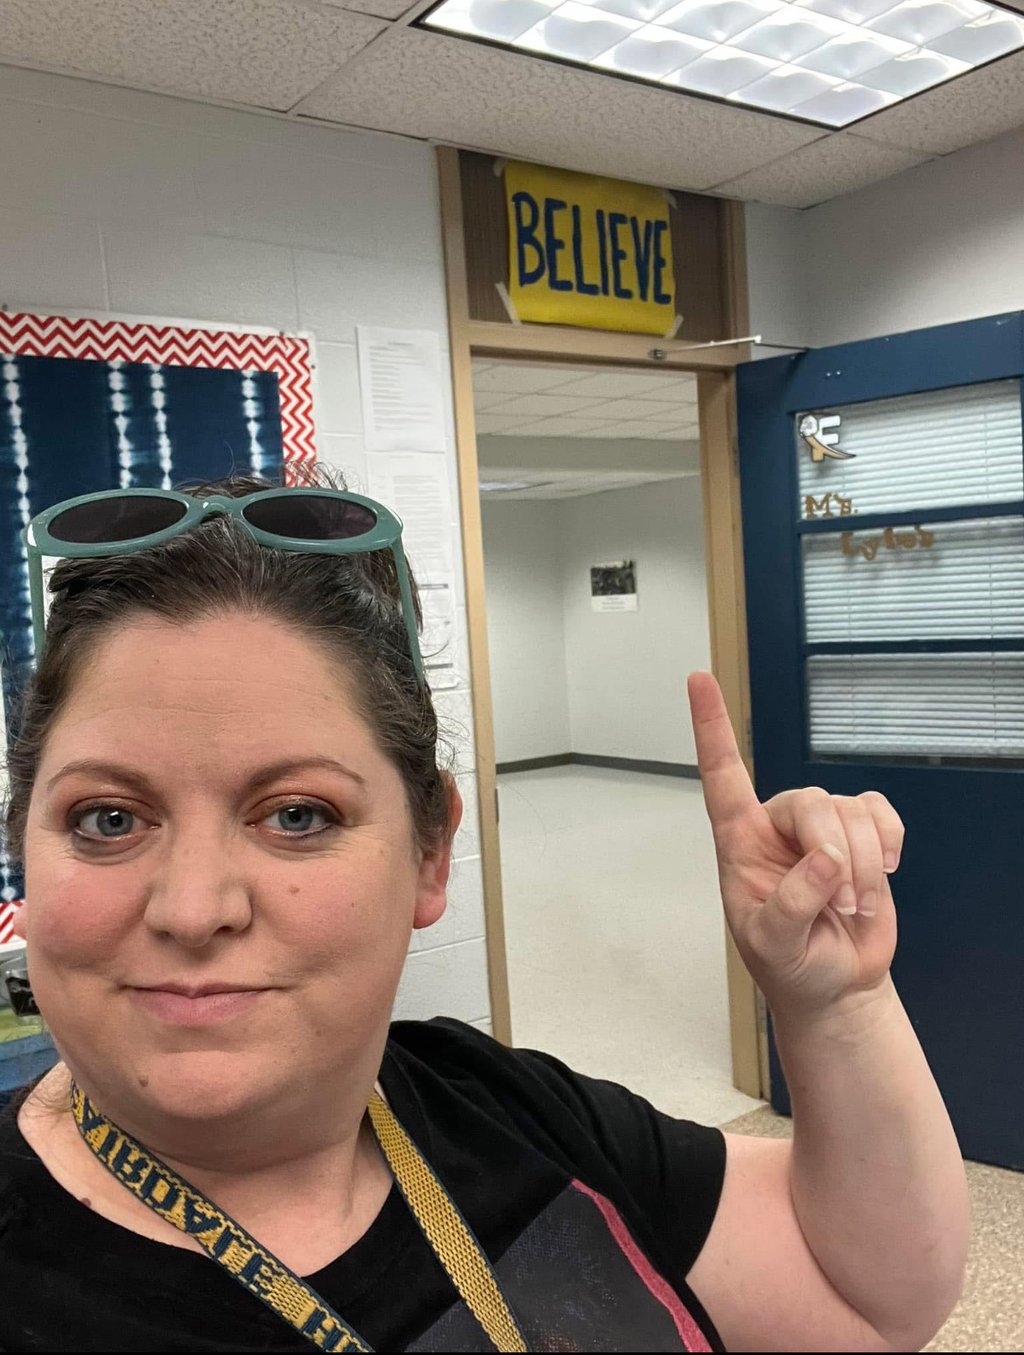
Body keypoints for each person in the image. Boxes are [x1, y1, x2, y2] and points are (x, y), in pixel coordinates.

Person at [0, 474, 968, 1353]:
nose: (194, 906)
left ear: (430, 851)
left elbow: (867, 1299)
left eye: (296, 814)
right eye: (108, 817)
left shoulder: (497, 1105)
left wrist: (833, 1004)